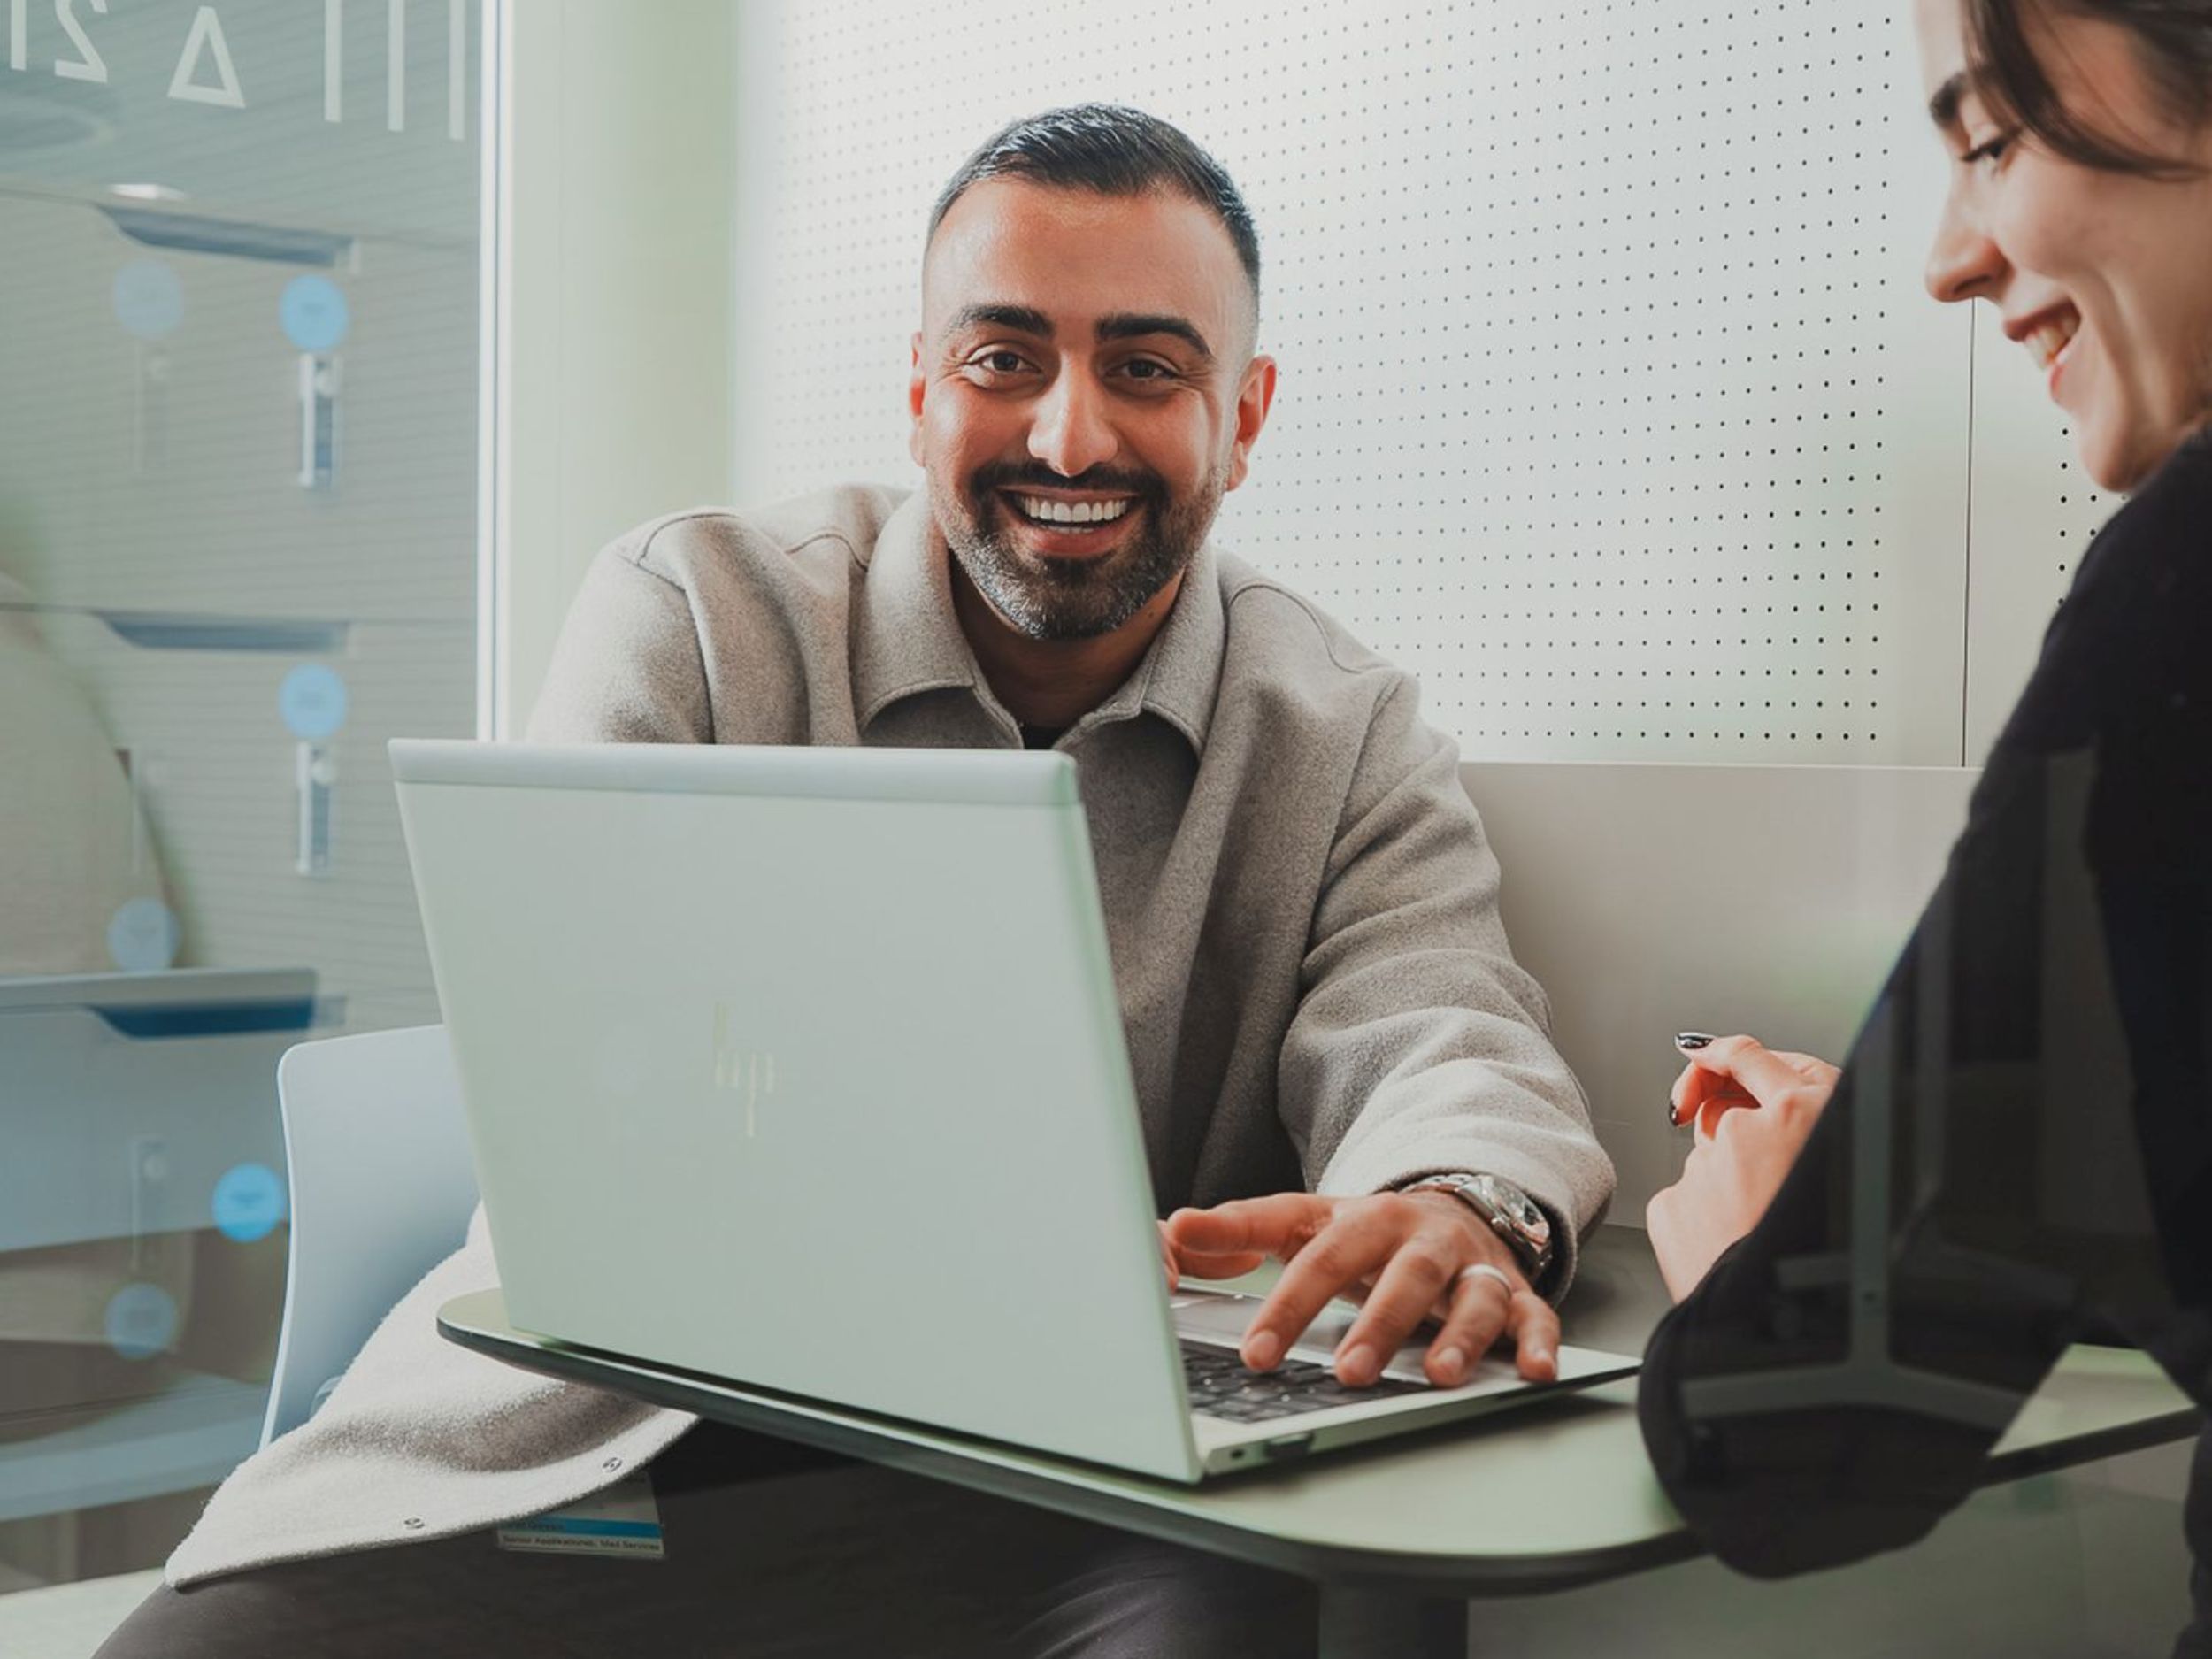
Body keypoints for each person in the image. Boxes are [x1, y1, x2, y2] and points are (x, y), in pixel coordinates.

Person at [100, 106, 1614, 1657]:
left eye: (1148, 369)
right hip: (611, 1455)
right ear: (919, 392)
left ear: (1245, 416)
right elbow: (574, 1064)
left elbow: (1448, 1026)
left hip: (1070, 1501)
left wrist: (1459, 1203)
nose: (1069, 438)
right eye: (1003, 358)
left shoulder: (1342, 729)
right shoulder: (694, 612)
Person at [1637, 0, 2212, 1642]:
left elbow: (1800, 1443)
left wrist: (1768, 1247)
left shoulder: (2186, 586)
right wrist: (1935, 1175)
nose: (1950, 259)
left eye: (1993, 138)